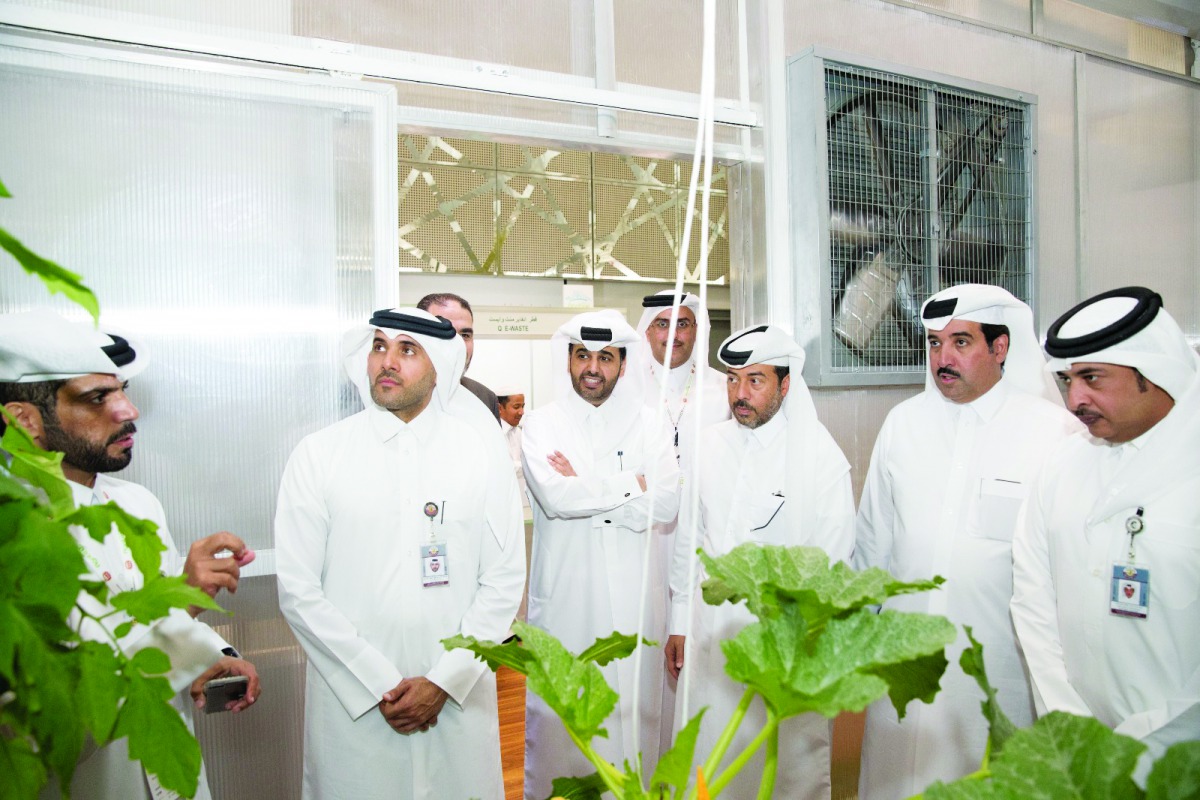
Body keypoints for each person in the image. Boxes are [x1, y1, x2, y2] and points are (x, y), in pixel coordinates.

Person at [0, 310, 260, 800]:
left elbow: (154, 622)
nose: (128, 410)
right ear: (24, 420)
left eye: (121, 390)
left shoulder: (135, 505)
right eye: (98, 397)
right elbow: (53, 733)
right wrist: (181, 600)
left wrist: (213, 655)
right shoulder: (12, 533)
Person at [275, 307, 524, 800]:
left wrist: (444, 681)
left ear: (440, 368)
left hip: (456, 702)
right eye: (379, 347)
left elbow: (503, 580)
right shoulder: (319, 455)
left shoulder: (480, 456)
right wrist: (380, 683)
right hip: (357, 707)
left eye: (407, 349)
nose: (387, 361)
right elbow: (299, 591)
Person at [852, 285, 1080, 798]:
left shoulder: (1053, 434)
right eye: (934, 344)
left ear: (1001, 348)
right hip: (903, 658)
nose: (942, 359)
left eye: (960, 342)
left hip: (997, 663)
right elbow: (873, 544)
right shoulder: (903, 424)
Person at [1011, 286, 1200, 779]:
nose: (1075, 399)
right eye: (1066, 379)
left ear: (1154, 373)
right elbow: (1033, 599)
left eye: (1092, 378)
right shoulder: (1062, 463)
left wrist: (1139, 749)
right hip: (1079, 754)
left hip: (1181, 758)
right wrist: (1073, 729)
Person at [665, 324, 855, 800]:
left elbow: (834, 560)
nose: (739, 394)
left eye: (755, 380)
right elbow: (689, 538)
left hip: (784, 646)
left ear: (785, 385)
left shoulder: (819, 458)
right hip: (711, 635)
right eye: (732, 379)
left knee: (783, 766)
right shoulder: (708, 444)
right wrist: (678, 622)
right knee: (711, 757)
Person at [521, 309, 681, 799]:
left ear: (623, 366)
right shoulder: (540, 424)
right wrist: (633, 484)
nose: (593, 366)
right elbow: (555, 498)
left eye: (605, 357)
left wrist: (585, 486)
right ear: (568, 360)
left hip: (636, 603)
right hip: (567, 601)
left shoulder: (650, 424)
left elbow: (669, 499)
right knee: (561, 730)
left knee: (633, 726)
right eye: (583, 355)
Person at [634, 289, 730, 474]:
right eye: (663, 324)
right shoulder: (628, 389)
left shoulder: (725, 389)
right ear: (648, 331)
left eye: (682, 324)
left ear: (695, 331)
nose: (673, 335)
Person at [417, 292, 500, 421]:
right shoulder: (395, 395)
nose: (458, 345)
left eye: (465, 335)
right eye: (445, 332)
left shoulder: (486, 398)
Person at [496, 387, 529, 512]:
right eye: (516, 407)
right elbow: (504, 468)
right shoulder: (494, 433)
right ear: (500, 408)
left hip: (521, 503)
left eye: (523, 406)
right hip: (502, 504)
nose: (522, 412)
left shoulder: (518, 432)